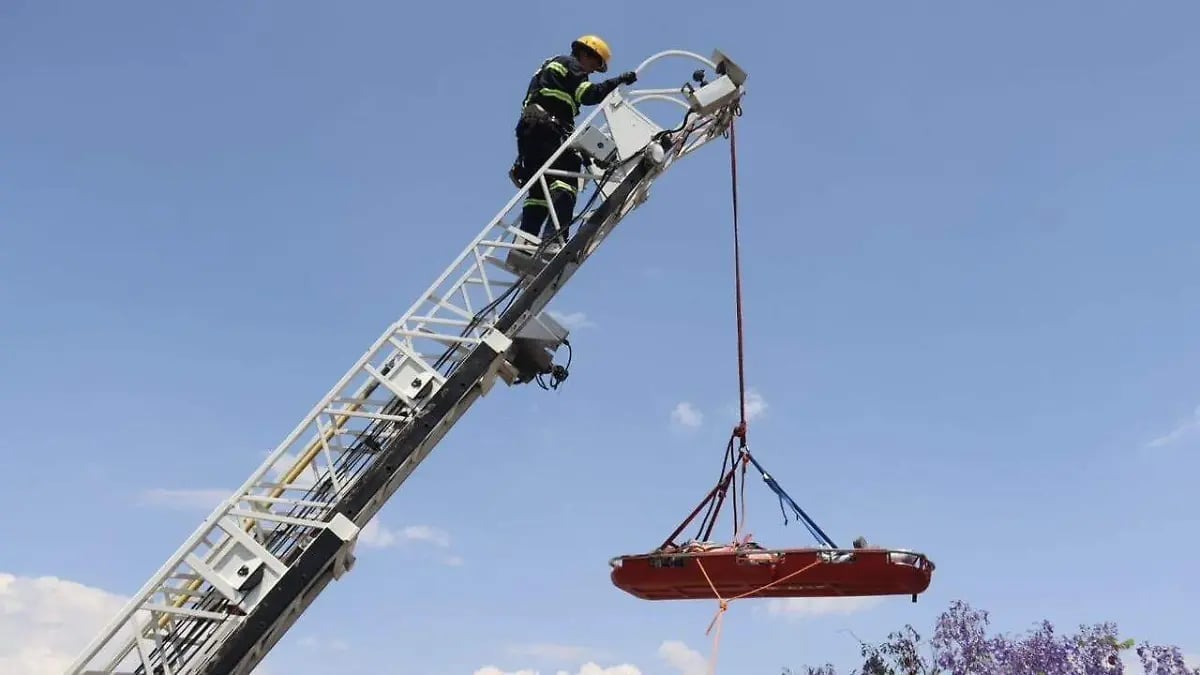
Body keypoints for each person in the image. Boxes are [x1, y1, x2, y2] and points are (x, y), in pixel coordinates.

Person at [509, 35, 638, 253]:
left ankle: (524, 244)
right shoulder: (571, 65)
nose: (591, 72)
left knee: (540, 194)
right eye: (594, 65)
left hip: (529, 133)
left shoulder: (550, 66)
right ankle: (554, 240)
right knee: (567, 175)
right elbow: (589, 95)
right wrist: (618, 81)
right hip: (547, 128)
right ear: (585, 53)